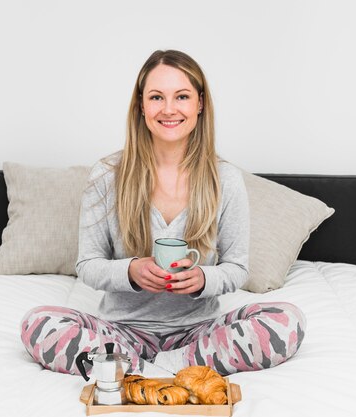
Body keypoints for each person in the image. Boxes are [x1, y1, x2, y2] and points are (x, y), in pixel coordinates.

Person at [20, 50, 305, 376]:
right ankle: (140, 364)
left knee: (288, 320)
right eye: (157, 97)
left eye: (181, 96)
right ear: (141, 106)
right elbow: (87, 265)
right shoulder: (106, 175)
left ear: (199, 103)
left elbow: (237, 269)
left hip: (200, 334)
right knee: (37, 323)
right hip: (121, 332)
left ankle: (149, 368)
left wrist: (202, 279)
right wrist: (131, 271)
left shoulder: (225, 179)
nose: (169, 109)